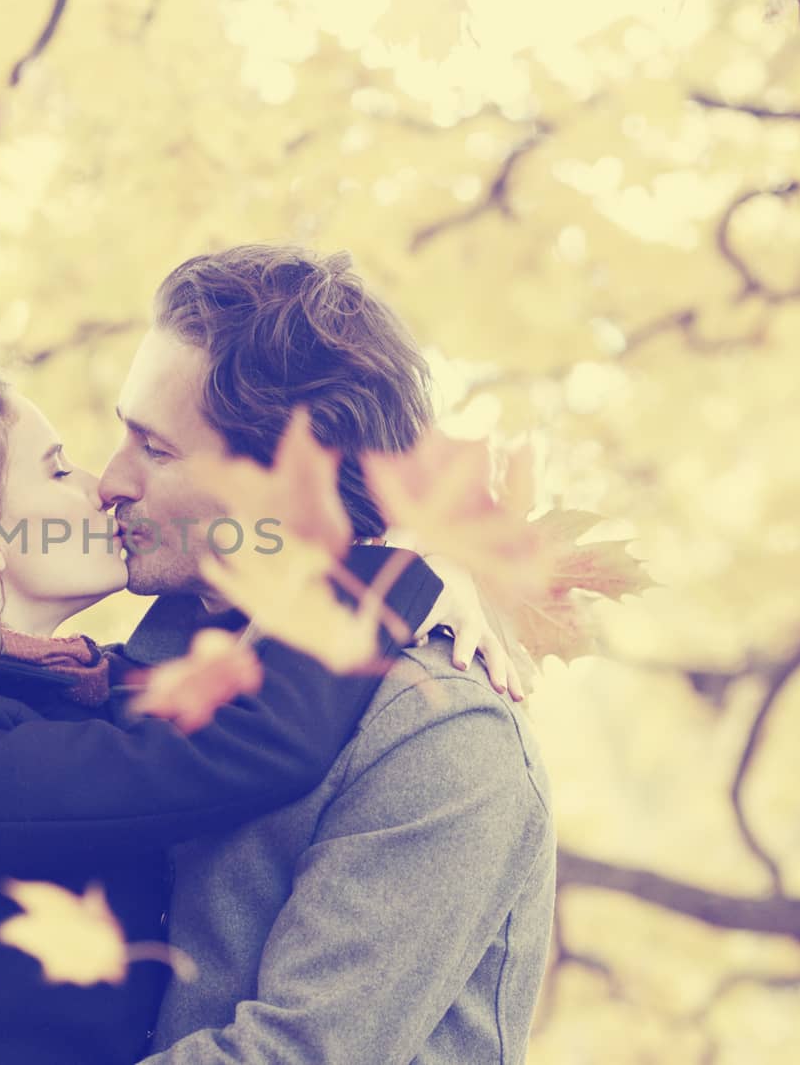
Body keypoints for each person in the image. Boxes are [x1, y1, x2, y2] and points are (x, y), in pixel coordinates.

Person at [0, 361, 506, 1064]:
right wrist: (387, 577)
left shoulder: (26, 703)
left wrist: (403, 575)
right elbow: (236, 748)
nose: (101, 487)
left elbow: (195, 679)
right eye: (55, 471)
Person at [95, 245, 556, 1064]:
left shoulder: (438, 738)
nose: (109, 480)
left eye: (156, 450)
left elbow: (295, 1054)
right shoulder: (143, 670)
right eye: (121, 434)